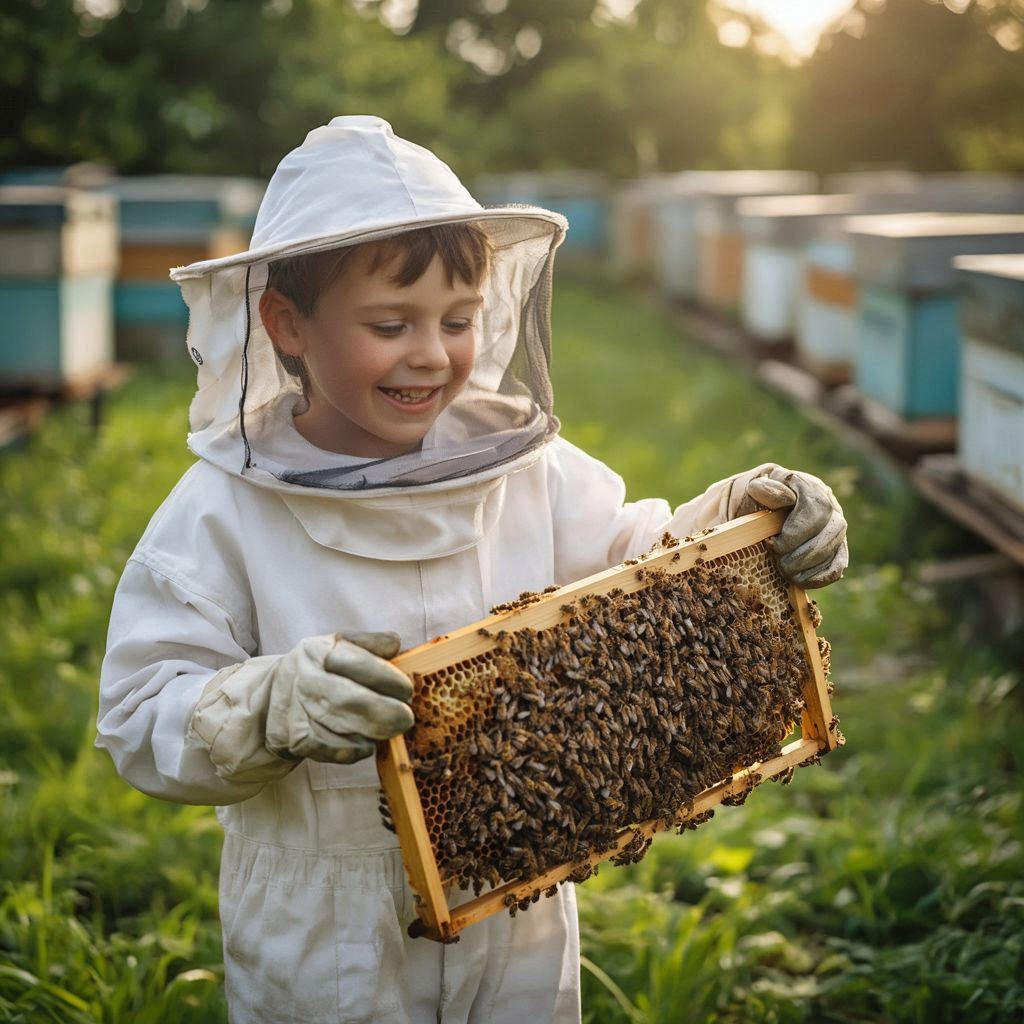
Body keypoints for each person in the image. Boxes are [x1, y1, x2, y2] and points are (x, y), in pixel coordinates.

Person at [97, 115, 848, 1024]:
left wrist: (744, 519)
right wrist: (267, 706)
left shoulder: (523, 466)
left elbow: (643, 568)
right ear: (285, 324)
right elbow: (140, 716)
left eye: (458, 320)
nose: (432, 353)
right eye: (390, 324)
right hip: (322, 926)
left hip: (518, 895)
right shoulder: (221, 510)